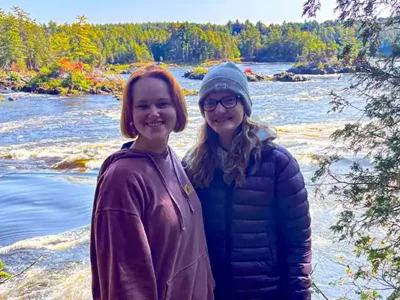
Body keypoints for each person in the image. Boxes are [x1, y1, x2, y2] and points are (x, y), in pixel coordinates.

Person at [183, 62, 312, 300]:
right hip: (211, 291)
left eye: (229, 99)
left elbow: (298, 243)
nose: (219, 110)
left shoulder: (277, 162)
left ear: (244, 104)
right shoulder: (193, 164)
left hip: (266, 292)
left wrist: (298, 295)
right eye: (210, 102)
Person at [90, 65, 215, 300]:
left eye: (162, 103)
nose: (154, 113)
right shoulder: (122, 179)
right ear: (130, 113)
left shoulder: (172, 158)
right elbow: (124, 280)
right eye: (143, 106)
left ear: (177, 108)